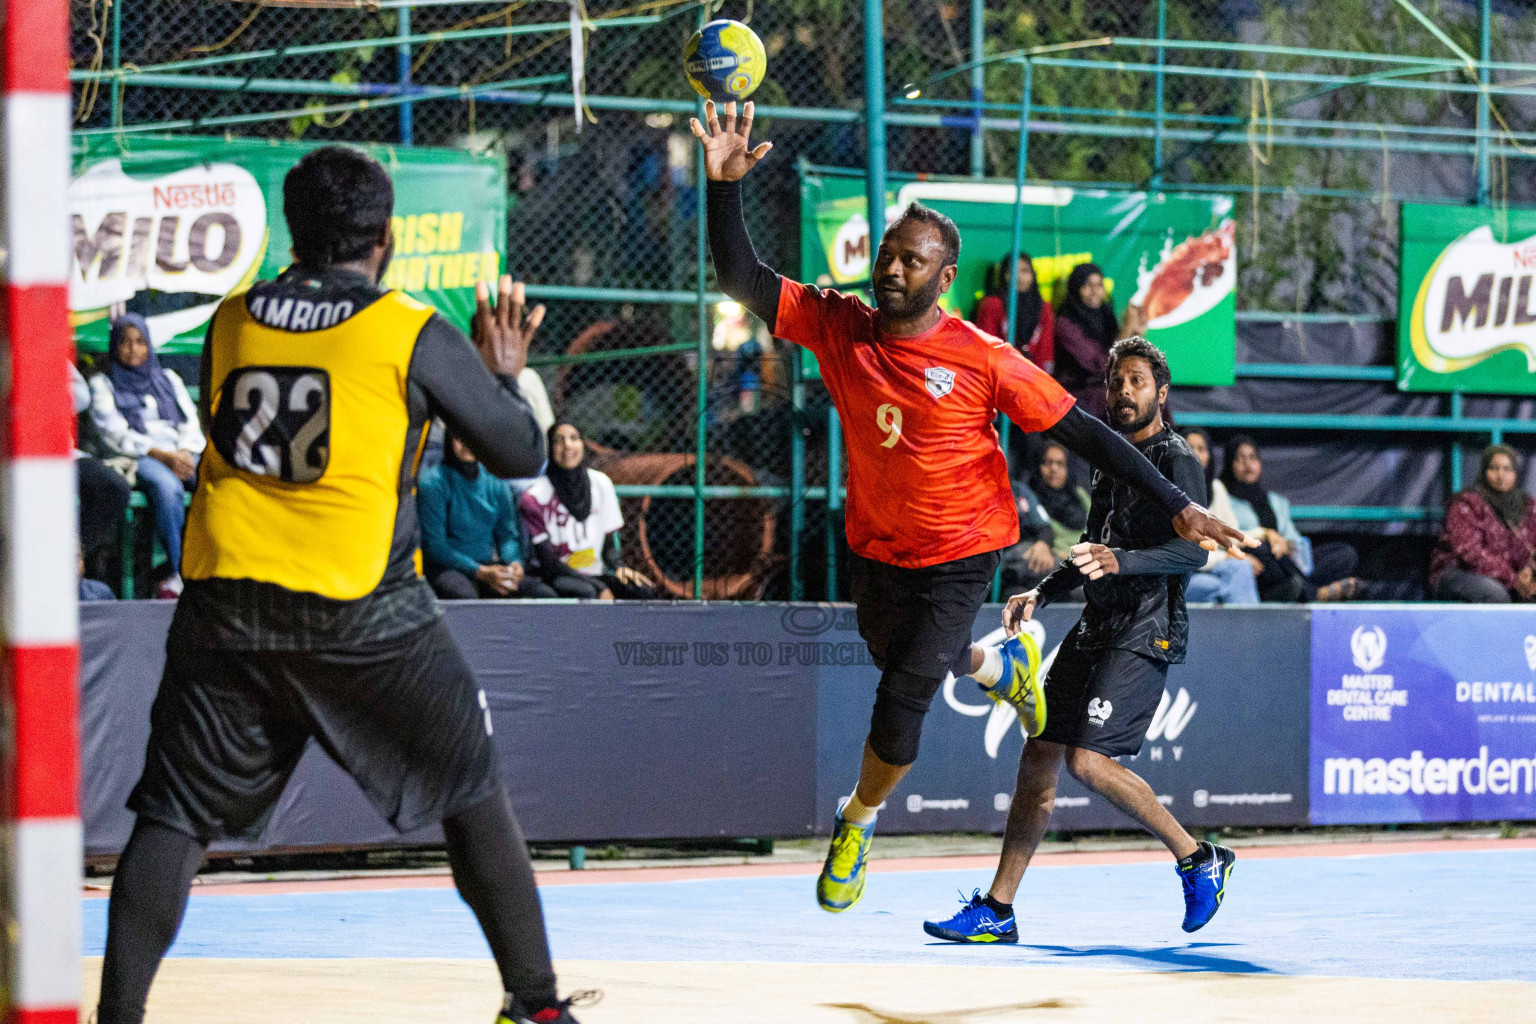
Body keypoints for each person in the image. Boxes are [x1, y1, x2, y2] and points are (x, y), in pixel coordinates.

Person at [691, 99, 1245, 914]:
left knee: (904, 696)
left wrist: (1177, 503)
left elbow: (1085, 430)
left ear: (944, 277)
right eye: (886, 254)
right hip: (879, 547)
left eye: (911, 261)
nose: (891, 269)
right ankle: (1002, 666)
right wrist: (723, 189)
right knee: (905, 656)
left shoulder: (985, 358)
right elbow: (740, 278)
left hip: (964, 552)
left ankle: (857, 821)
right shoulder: (841, 325)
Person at [97, 146, 589, 1024]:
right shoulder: (409, 329)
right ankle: (536, 1006)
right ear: (385, 238)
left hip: (226, 601)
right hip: (361, 606)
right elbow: (519, 454)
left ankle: (119, 1016)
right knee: (471, 789)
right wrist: (506, 374)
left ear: (295, 231)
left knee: (173, 817)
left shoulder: (233, 318)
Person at [923, 338, 1234, 945]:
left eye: (1137, 382)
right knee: (1039, 753)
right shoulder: (1108, 459)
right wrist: (1043, 590)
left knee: (1086, 761)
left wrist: (1122, 560)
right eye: (1117, 381)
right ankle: (998, 908)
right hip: (1095, 625)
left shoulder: (1176, 460)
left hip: (1147, 629)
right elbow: (1092, 546)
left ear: (1161, 395)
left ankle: (1199, 858)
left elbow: (1194, 553)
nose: (1123, 391)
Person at [89, 313, 205, 598]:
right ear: (115, 346)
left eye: (140, 342)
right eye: (125, 342)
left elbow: (190, 422)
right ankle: (181, 574)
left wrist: (185, 453)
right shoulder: (103, 384)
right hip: (141, 457)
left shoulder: (168, 379)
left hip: (180, 453)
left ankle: (214, 566)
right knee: (167, 488)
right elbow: (116, 434)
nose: (133, 349)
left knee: (217, 480)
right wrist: (163, 456)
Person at [519, 419, 656, 601]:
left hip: (594, 573)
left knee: (640, 589)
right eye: (559, 440)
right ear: (550, 448)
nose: (567, 445)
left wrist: (619, 566)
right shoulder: (534, 496)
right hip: (556, 576)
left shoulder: (601, 483)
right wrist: (600, 588)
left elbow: (608, 545)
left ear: (583, 443)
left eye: (574, 438)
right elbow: (548, 562)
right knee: (587, 592)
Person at [419, 427, 557, 600]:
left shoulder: (497, 481)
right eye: (460, 438)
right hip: (446, 567)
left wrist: (513, 563)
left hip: (488, 567)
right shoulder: (432, 482)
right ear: (449, 440)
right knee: (464, 595)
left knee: (541, 593)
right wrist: (480, 572)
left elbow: (507, 535)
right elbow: (435, 547)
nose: (468, 444)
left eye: (474, 437)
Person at [1220, 436, 1359, 603]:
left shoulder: (1276, 501)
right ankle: (1314, 594)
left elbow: (1293, 538)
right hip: (1257, 567)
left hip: (1287, 565)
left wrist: (1287, 545)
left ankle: (1297, 589)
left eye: (1252, 457)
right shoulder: (1224, 499)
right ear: (1229, 464)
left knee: (1344, 554)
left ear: (1260, 463)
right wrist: (1268, 540)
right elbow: (1228, 539)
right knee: (1262, 548)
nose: (1248, 465)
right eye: (1240, 459)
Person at [1429, 444, 1536, 603]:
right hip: (1460, 572)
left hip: (1512, 578)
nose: (1501, 475)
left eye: (1507, 469)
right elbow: (1470, 552)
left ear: (1515, 473)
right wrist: (1512, 578)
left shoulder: (1527, 505)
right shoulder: (1466, 503)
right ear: (1484, 471)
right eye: (1494, 468)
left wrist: (1529, 570)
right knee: (1495, 594)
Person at [1051, 263, 1145, 420]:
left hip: (1105, 390)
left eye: (1099, 285)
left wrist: (1137, 334)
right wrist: (1127, 329)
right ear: (1075, 288)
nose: (1095, 291)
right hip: (1078, 394)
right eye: (1088, 285)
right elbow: (1100, 366)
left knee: (1150, 393)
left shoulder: (1106, 316)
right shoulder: (1065, 324)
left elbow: (1127, 361)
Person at [1181, 427, 1260, 606]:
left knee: (1239, 569)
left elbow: (1232, 534)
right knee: (1232, 579)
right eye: (1189, 447)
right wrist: (1226, 558)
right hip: (1182, 576)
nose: (1195, 453)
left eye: (1201, 449)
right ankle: (1249, 630)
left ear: (1209, 455)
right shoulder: (1169, 491)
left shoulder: (1215, 489)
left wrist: (1263, 533)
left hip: (1215, 569)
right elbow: (1186, 554)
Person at [73, 361, 132, 588]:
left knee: (113, 488)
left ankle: (71, 553)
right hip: (11, 458)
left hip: (57, 454)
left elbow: (80, 395)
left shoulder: (37, 351)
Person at [972, 253, 1054, 370]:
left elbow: (1045, 350)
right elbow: (987, 347)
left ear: (1033, 275)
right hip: (1001, 372)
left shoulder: (1043, 307)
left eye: (1025, 271)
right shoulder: (993, 304)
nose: (1019, 277)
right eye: (1011, 272)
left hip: (1034, 375)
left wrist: (1042, 379)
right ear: (1003, 276)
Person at [1030, 441, 1091, 560]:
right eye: (1048, 463)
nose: (1054, 468)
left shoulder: (1080, 496)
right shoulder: (1031, 499)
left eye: (1060, 464)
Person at [998, 479, 1059, 598]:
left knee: (1078, 591)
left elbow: (1044, 526)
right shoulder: (978, 489)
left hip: (1033, 550)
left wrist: (1042, 544)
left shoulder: (1019, 490)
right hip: (1004, 556)